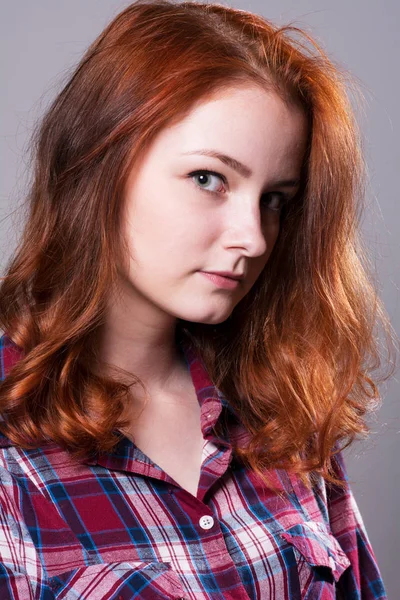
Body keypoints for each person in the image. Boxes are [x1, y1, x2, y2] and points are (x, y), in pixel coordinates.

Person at [0, 1, 396, 598]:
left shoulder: (277, 413)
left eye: (275, 199)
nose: (254, 236)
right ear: (100, 163)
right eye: (209, 178)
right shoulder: (12, 444)